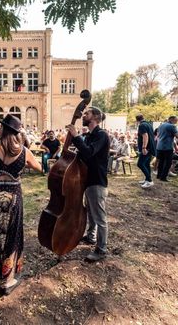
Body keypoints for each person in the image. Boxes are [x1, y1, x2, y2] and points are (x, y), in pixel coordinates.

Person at [0, 114, 42, 295]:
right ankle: (7, 279)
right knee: (12, 233)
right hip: (14, 196)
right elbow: (41, 169)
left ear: (2, 129)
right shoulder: (25, 151)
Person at [67, 107, 110, 262]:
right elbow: (82, 154)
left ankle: (101, 249)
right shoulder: (90, 135)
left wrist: (76, 137)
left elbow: (89, 152)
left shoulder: (101, 135)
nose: (84, 115)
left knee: (99, 217)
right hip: (88, 180)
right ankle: (91, 237)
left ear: (96, 117)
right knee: (91, 212)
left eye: (88, 113)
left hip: (97, 181)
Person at [155, 116, 178, 182]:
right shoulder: (172, 126)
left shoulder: (161, 125)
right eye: (176, 120)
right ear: (171, 119)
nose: (176, 122)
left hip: (159, 146)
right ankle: (163, 177)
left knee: (161, 161)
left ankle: (159, 175)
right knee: (168, 163)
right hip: (167, 147)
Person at [136, 114, 156, 188]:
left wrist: (144, 147)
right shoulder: (149, 124)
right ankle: (147, 179)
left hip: (147, 148)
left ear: (137, 120)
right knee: (146, 164)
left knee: (140, 164)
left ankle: (150, 181)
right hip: (151, 147)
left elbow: (145, 136)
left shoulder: (142, 125)